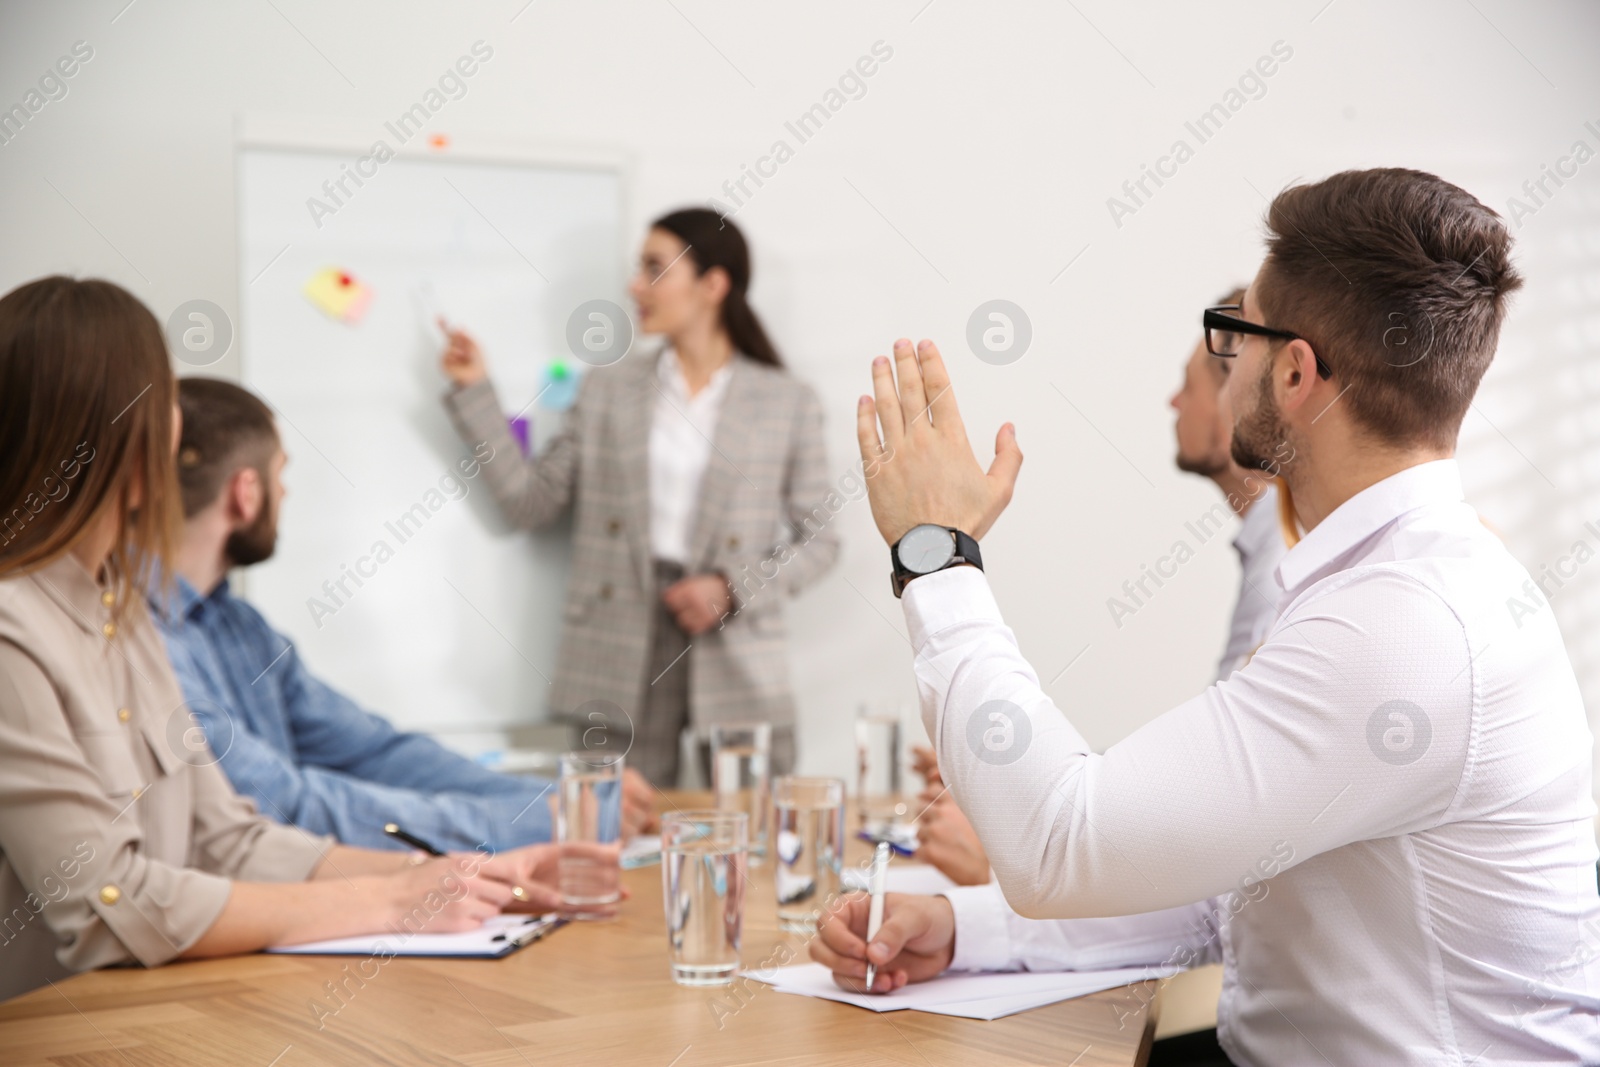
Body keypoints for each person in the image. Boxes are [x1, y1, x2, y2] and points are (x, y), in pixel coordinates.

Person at [816, 169, 1600, 1065]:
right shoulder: (1386, 584)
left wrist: (935, 550)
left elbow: (1058, 840)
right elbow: (1230, 876)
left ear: (1296, 372)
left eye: (1237, 336)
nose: (1224, 365)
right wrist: (962, 927)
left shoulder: (1402, 626)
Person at [0, 277, 572, 1002]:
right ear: (116, 431)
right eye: (164, 398)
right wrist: (396, 903)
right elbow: (106, 904)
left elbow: (229, 837)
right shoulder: (14, 628)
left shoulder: (125, 615)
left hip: (164, 1016)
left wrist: (463, 876)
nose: (178, 428)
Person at [151, 377, 658, 854]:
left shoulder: (242, 628)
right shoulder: (152, 643)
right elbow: (289, 808)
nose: (285, 493)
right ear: (247, 493)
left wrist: (565, 797)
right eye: (280, 473)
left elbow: (373, 752)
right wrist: (556, 820)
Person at [438, 208, 840, 787]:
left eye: (655, 269)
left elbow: (821, 541)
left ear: (713, 284)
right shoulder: (608, 389)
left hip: (733, 647)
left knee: (752, 840)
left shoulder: (787, 401)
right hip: (615, 644)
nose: (634, 286)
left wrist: (731, 588)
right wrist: (475, 390)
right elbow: (529, 503)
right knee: (609, 837)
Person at [909, 286, 1290, 890]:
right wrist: (1017, 793)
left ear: (1235, 394)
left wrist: (931, 549)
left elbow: (1212, 831)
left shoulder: (1286, 566)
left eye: (1190, 383)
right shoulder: (1276, 550)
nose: (1173, 401)